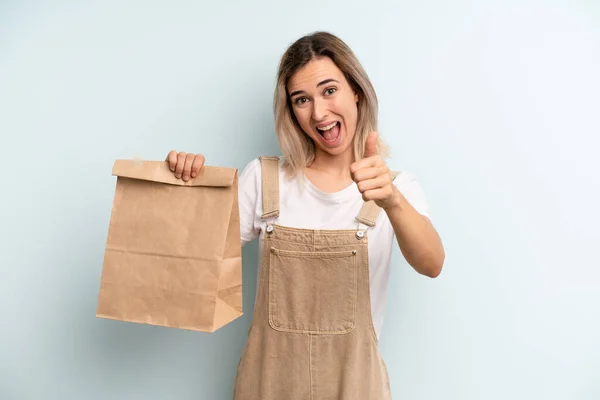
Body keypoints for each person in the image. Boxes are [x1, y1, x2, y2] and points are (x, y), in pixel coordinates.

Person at [166, 31, 444, 399]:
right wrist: (184, 187)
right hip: (269, 386)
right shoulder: (265, 180)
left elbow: (432, 263)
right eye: (302, 100)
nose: (319, 112)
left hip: (355, 387)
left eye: (330, 90)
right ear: (291, 112)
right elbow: (191, 262)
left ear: (356, 90)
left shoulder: (394, 187)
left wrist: (390, 200)